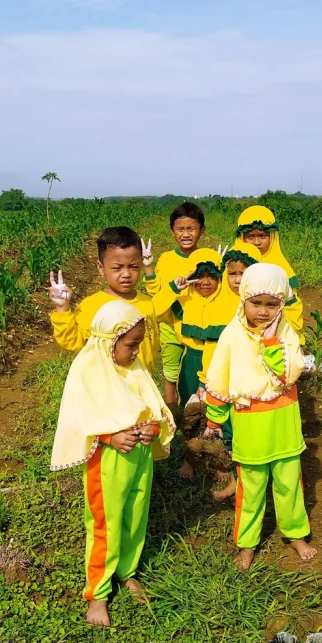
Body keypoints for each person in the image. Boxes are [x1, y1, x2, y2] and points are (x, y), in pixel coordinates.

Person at [50, 300, 175, 627]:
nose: (136, 352)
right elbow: (83, 418)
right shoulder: (88, 371)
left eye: (139, 344)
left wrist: (152, 428)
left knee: (136, 514)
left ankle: (127, 571)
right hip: (108, 462)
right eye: (130, 345)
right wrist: (109, 437)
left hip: (139, 457)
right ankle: (98, 593)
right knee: (105, 523)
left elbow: (153, 406)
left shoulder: (135, 369)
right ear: (109, 342)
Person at [203, 263, 317, 569]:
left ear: (282, 303)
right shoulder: (232, 335)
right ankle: (247, 543)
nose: (263, 312)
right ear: (243, 299)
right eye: (256, 303)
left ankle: (295, 534)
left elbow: (288, 374)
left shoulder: (286, 335)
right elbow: (219, 378)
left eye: (272, 304)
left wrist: (270, 342)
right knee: (250, 486)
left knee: (289, 481)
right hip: (249, 423)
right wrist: (214, 419)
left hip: (283, 422)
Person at [49, 226, 183, 371]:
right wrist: (62, 308)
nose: (126, 274)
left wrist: (173, 289)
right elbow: (73, 340)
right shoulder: (93, 306)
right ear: (101, 268)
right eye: (117, 268)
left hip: (143, 380)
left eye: (133, 266)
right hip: (111, 386)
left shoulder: (146, 302)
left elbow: (163, 311)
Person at [203, 240, 262, 501]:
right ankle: (236, 481)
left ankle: (244, 484)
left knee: (247, 438)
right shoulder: (217, 302)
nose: (238, 280)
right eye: (232, 273)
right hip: (226, 382)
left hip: (253, 385)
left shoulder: (263, 307)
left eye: (245, 273)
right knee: (230, 433)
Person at [143, 202, 206, 404]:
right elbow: (157, 292)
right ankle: (171, 412)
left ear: (202, 231)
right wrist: (148, 268)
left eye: (191, 229)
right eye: (180, 229)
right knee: (170, 373)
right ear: (172, 232)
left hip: (197, 325)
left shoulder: (205, 259)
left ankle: (196, 407)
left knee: (198, 369)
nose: (185, 234)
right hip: (170, 324)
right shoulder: (167, 259)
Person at [234, 206, 305, 344]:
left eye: (262, 236)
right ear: (242, 237)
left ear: (272, 236)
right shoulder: (233, 264)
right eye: (250, 237)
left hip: (273, 336)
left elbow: (291, 308)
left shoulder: (282, 270)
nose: (256, 242)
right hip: (239, 336)